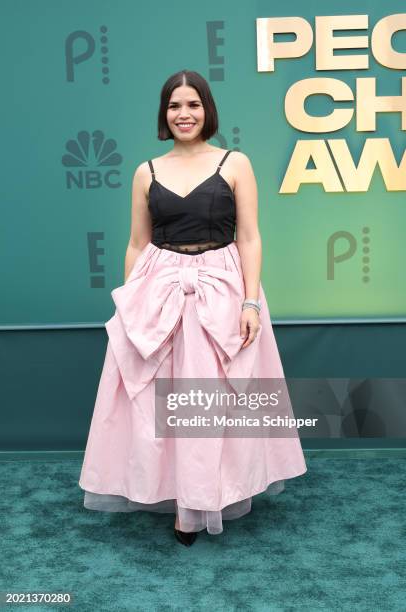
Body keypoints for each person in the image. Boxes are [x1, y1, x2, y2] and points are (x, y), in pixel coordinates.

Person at [79, 69, 307, 547]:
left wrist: (250, 301)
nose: (184, 114)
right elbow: (137, 244)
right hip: (159, 291)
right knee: (158, 402)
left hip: (222, 290)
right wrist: (132, 303)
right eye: (174, 106)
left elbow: (249, 236)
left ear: (208, 110)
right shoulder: (147, 171)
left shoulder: (236, 163)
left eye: (193, 104)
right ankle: (178, 495)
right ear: (164, 114)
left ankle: (201, 502)